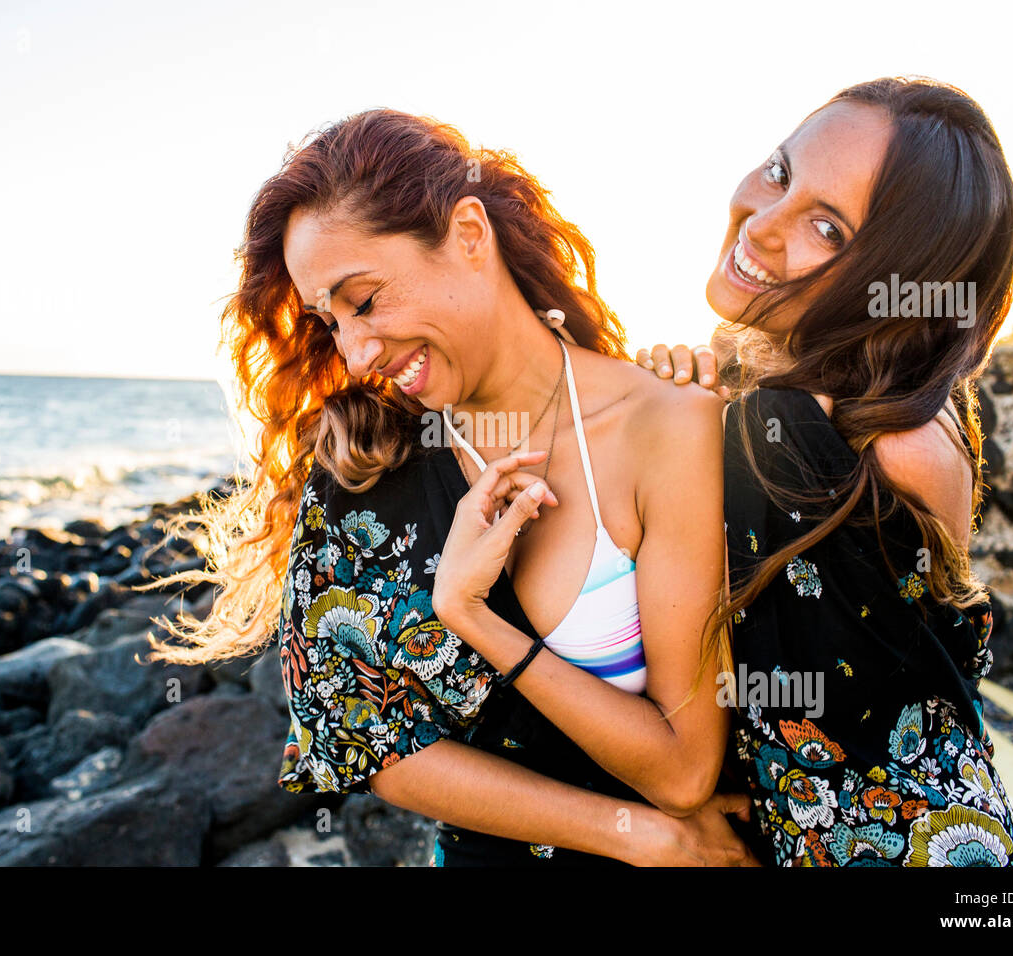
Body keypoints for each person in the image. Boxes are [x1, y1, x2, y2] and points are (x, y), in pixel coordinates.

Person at [143, 108, 753, 866]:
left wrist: (471, 613)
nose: (357, 352)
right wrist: (638, 835)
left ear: (469, 234)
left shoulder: (667, 422)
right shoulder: (363, 469)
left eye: (364, 300)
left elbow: (685, 767)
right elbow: (374, 746)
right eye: (329, 321)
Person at [634, 76, 1013, 866]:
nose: (765, 223)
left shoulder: (900, 439)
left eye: (829, 228)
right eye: (780, 172)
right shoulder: (774, 394)